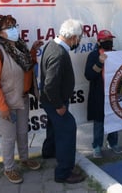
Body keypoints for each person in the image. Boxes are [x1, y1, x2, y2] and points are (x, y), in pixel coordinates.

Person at [0, 15, 43, 184]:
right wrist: (2, 107)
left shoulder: (20, 48)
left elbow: (26, 68)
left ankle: (24, 159)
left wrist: (32, 50)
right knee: (9, 137)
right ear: (0, 33)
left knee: (22, 132)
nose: (13, 29)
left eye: (14, 25)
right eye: (8, 27)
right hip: (5, 102)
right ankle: (9, 168)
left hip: (22, 98)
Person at [39, 19, 85, 184]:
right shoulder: (58, 53)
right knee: (67, 129)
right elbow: (50, 85)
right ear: (73, 37)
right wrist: (59, 105)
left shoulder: (52, 44)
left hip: (49, 99)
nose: (79, 42)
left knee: (53, 125)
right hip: (54, 101)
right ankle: (64, 172)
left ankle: (49, 152)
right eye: (79, 38)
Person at [85, 29, 122, 158]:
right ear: (99, 42)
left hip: (113, 94)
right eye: (105, 40)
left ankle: (113, 143)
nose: (108, 42)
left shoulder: (116, 54)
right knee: (99, 123)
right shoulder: (93, 56)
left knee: (115, 119)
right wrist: (99, 63)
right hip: (99, 95)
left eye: (110, 40)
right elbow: (89, 75)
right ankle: (96, 146)